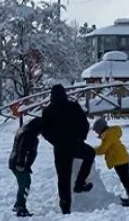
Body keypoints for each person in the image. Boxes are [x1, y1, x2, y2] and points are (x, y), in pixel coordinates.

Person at [39, 84, 95, 214]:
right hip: (75, 144)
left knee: (63, 178)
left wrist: (55, 141)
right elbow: (84, 124)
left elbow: (45, 131)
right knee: (90, 154)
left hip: (60, 149)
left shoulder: (48, 111)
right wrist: (81, 138)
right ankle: (80, 183)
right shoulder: (74, 107)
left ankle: (65, 207)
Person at [92, 119, 129, 208]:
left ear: (100, 128)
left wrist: (90, 151)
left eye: (96, 130)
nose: (96, 132)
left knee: (126, 180)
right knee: (126, 180)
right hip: (121, 159)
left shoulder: (108, 135)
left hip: (119, 160)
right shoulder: (110, 133)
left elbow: (102, 149)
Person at [7, 117, 43, 218]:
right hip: (19, 164)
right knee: (25, 183)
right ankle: (21, 207)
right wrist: (21, 164)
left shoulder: (24, 131)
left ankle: (18, 204)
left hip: (14, 161)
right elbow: (22, 149)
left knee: (23, 183)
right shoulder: (29, 135)